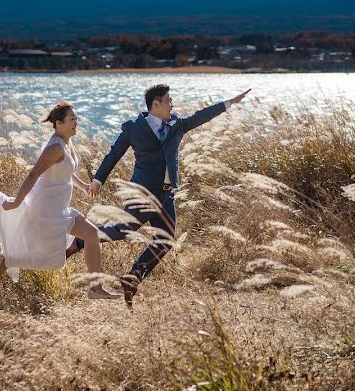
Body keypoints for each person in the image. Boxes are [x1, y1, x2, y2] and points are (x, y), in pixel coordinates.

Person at [68, 84, 251, 307]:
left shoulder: (177, 124)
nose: (172, 104)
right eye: (168, 101)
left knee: (165, 240)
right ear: (155, 104)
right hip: (142, 193)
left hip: (166, 195)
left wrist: (229, 102)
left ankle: (133, 278)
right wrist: (97, 180)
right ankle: (81, 240)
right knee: (123, 232)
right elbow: (113, 154)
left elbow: (202, 116)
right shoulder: (134, 128)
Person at [0, 101, 121, 299]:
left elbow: (66, 170)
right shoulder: (55, 148)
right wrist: (16, 202)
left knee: (92, 235)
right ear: (59, 123)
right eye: (72, 120)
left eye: (76, 119)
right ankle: (5, 260)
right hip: (46, 208)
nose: (76, 123)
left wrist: (83, 185)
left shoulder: (66, 142)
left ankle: (96, 289)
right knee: (46, 258)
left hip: (59, 206)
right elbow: (33, 175)